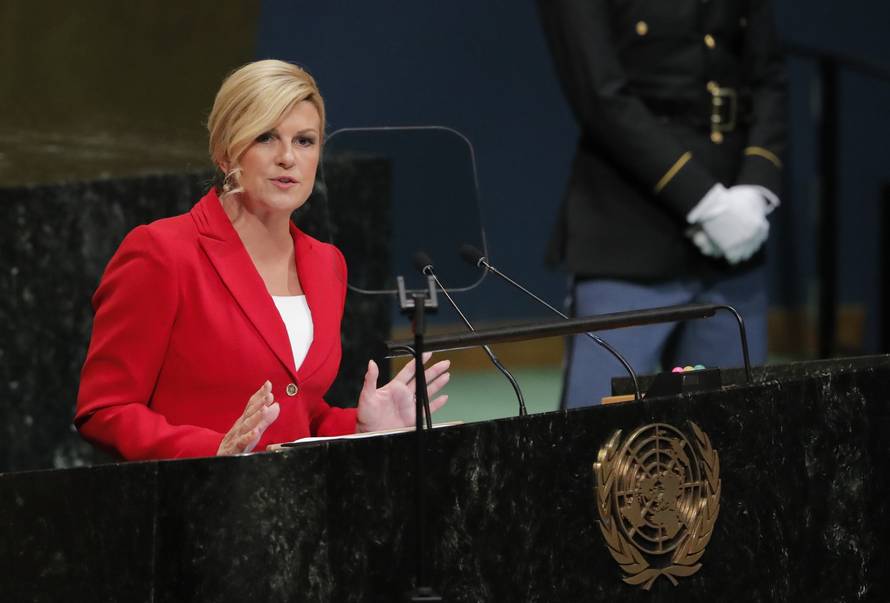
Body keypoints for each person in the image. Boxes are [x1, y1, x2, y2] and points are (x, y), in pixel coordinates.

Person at [74, 60, 449, 460]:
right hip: (188, 505)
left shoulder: (327, 264)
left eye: (305, 141)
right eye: (266, 137)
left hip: (296, 509)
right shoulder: (162, 252)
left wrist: (360, 426)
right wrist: (213, 450)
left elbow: (299, 409)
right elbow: (104, 410)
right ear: (224, 152)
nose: (288, 157)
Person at [537, 0, 788, 406]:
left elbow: (769, 76)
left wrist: (757, 189)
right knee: (599, 445)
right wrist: (704, 202)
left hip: (735, 234)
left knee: (736, 441)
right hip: (629, 227)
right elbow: (600, 95)